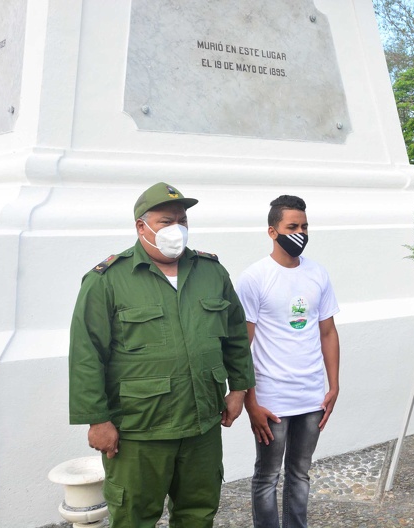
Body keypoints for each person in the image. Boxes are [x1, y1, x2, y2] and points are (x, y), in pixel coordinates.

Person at [68, 182, 255, 527]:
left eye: (182, 221)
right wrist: (96, 419)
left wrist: (239, 389)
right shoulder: (107, 280)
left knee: (198, 513)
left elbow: (235, 336)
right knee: (135, 517)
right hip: (140, 431)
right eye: (166, 222)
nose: (177, 230)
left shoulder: (211, 272)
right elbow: (86, 353)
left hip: (202, 425)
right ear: (142, 226)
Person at [236, 195, 340, 528]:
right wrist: (250, 401)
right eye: (292, 227)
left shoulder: (317, 274)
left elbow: (327, 332)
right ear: (272, 231)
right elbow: (242, 345)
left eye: (304, 226)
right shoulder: (254, 277)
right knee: (267, 476)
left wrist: (334, 385)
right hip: (272, 400)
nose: (300, 233)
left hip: (311, 397)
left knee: (300, 473)